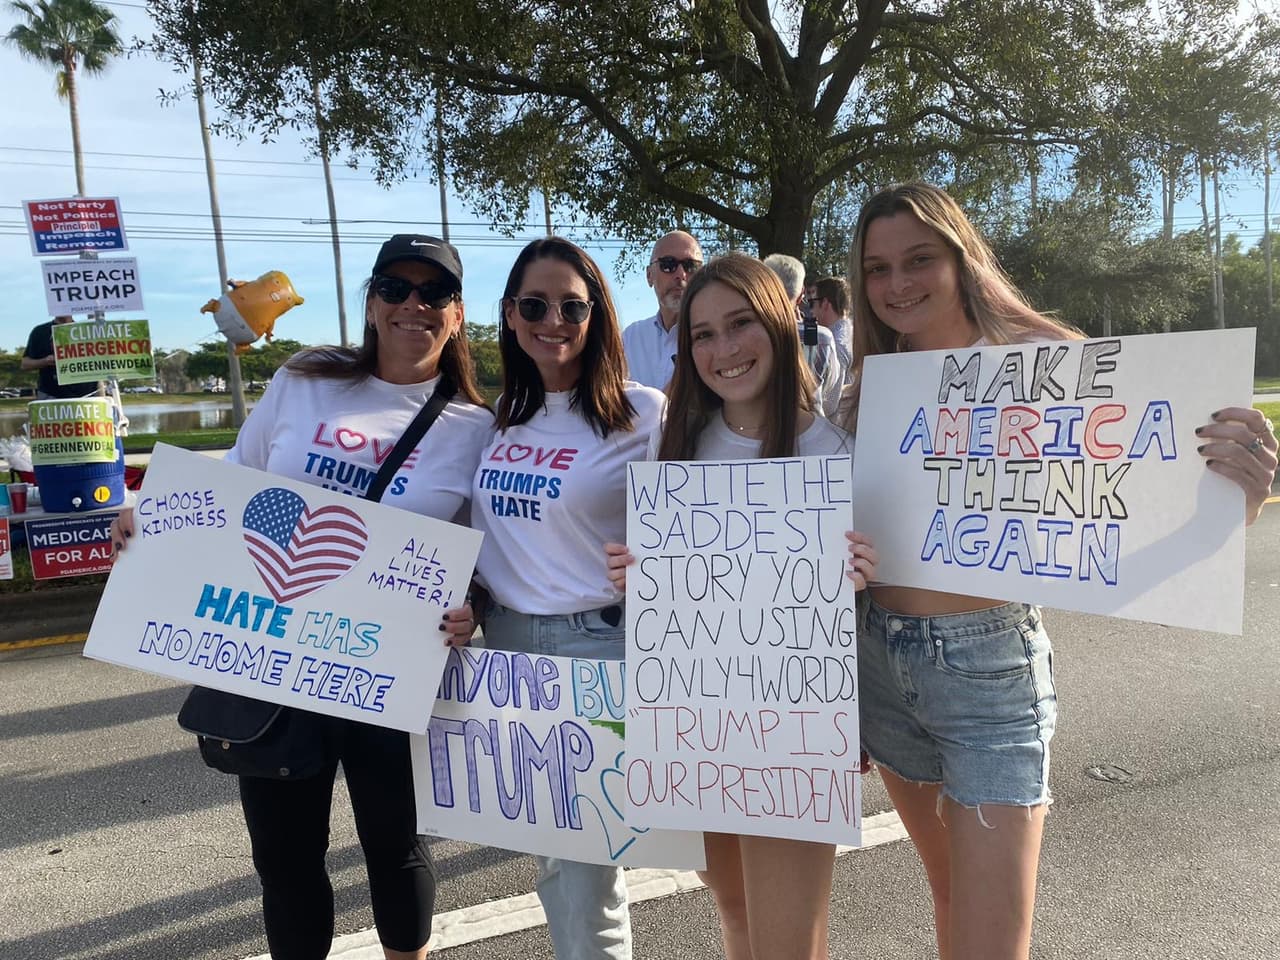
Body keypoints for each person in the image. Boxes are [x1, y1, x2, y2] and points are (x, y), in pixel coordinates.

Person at [841, 182, 1279, 960]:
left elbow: (1139, 489)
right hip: (882, 664)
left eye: (918, 259)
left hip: (988, 670)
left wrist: (1235, 496)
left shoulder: (1043, 362)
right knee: (948, 896)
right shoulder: (871, 383)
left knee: (991, 940)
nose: (897, 284)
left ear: (961, 257)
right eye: (877, 269)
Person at [111, 234, 493, 960]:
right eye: (395, 288)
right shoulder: (306, 377)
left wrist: (472, 604)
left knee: (397, 848)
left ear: (457, 314)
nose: (414, 304)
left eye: (434, 293)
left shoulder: (476, 428)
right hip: (273, 662)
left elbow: (488, 551)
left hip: (388, 670)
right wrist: (151, 514)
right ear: (372, 303)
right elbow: (235, 476)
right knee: (285, 864)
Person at [603, 253, 878, 960]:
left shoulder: (842, 449)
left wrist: (863, 577)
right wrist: (639, 575)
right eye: (702, 335)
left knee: (789, 942)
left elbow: (882, 603)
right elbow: (672, 593)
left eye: (740, 324)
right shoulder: (677, 449)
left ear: (783, 322)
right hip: (694, 726)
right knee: (736, 917)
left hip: (795, 735)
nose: (722, 350)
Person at [466, 236, 666, 960]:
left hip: (602, 648)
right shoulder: (493, 424)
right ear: (511, 318)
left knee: (593, 866)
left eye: (572, 306)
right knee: (560, 861)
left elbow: (710, 514)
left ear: (597, 315)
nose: (553, 318)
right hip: (510, 652)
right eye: (534, 304)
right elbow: (482, 546)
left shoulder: (645, 415)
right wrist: (470, 601)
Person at [761, 254, 842, 415]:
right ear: (801, 295)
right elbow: (831, 401)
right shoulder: (820, 336)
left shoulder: (746, 335)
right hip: (812, 428)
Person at [621, 230, 704, 389]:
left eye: (691, 266)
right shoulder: (631, 338)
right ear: (649, 275)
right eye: (668, 264)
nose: (681, 274)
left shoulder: (717, 339)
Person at [22, 315, 98, 399]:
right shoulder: (40, 331)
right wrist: (45, 361)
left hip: (88, 395)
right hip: (52, 395)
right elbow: (25, 364)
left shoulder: (86, 330)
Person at [809, 276, 853, 384]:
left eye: (812, 302)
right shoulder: (852, 331)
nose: (811, 310)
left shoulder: (836, 345)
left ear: (824, 303)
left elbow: (832, 398)